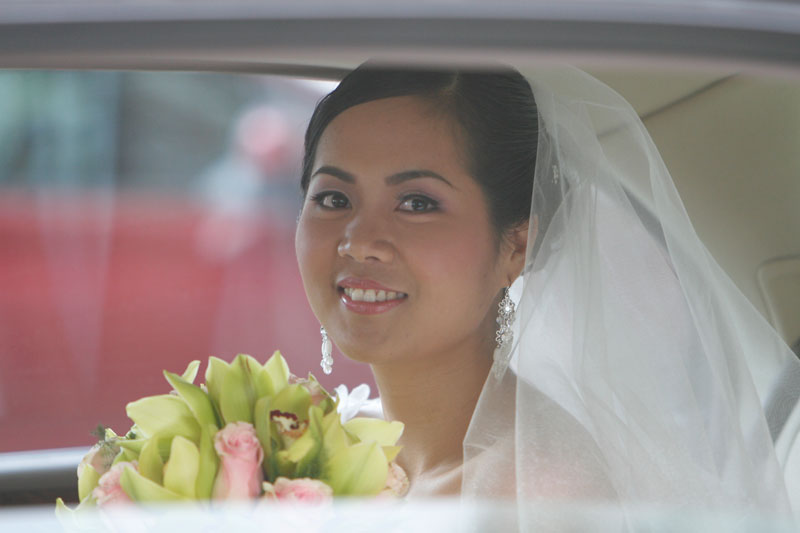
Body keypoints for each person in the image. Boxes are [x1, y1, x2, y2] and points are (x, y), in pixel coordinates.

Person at [294, 63, 800, 529]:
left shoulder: (544, 491)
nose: (358, 241)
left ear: (517, 245)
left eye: (417, 203)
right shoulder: (318, 446)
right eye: (334, 198)